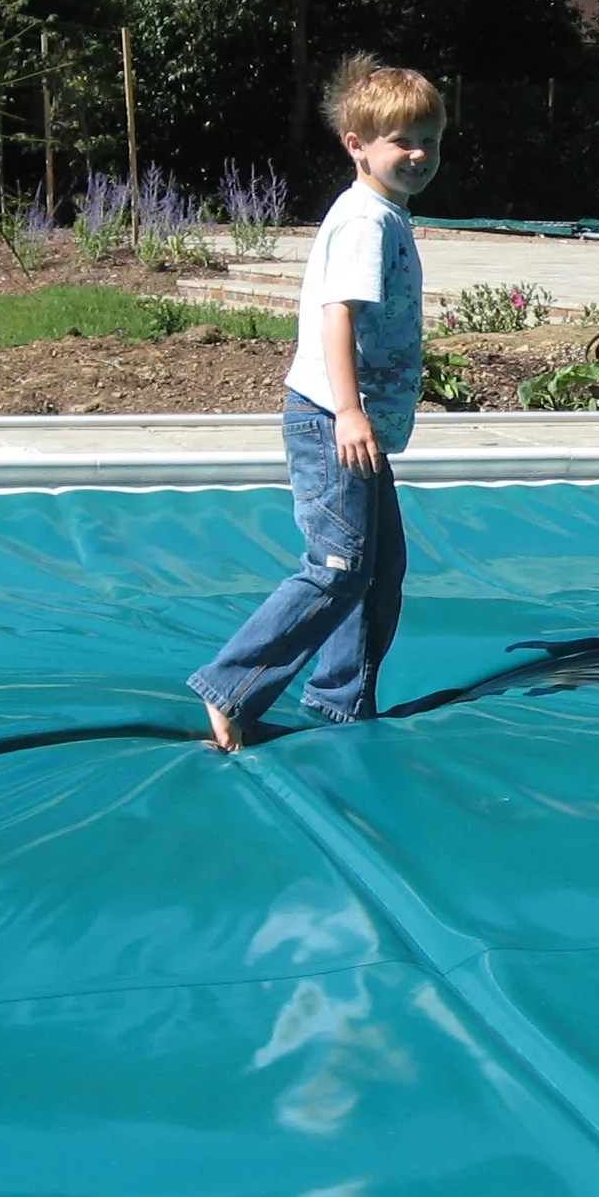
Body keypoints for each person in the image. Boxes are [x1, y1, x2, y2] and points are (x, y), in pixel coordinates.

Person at [189, 58, 440, 750]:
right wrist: (350, 410)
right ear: (356, 144)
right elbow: (337, 316)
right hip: (333, 421)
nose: (418, 153)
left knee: (378, 568)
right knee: (338, 566)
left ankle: (339, 699)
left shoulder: (383, 214)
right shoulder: (365, 221)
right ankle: (231, 686)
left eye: (429, 138)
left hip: (355, 425)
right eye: (400, 140)